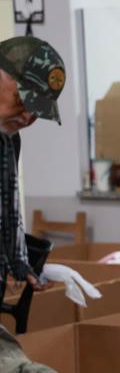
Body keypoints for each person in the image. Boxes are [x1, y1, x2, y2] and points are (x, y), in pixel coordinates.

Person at [0, 36, 66, 289]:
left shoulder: (8, 141)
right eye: (21, 99)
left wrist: (20, 263)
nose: (27, 117)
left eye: (37, 110)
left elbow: (9, 210)